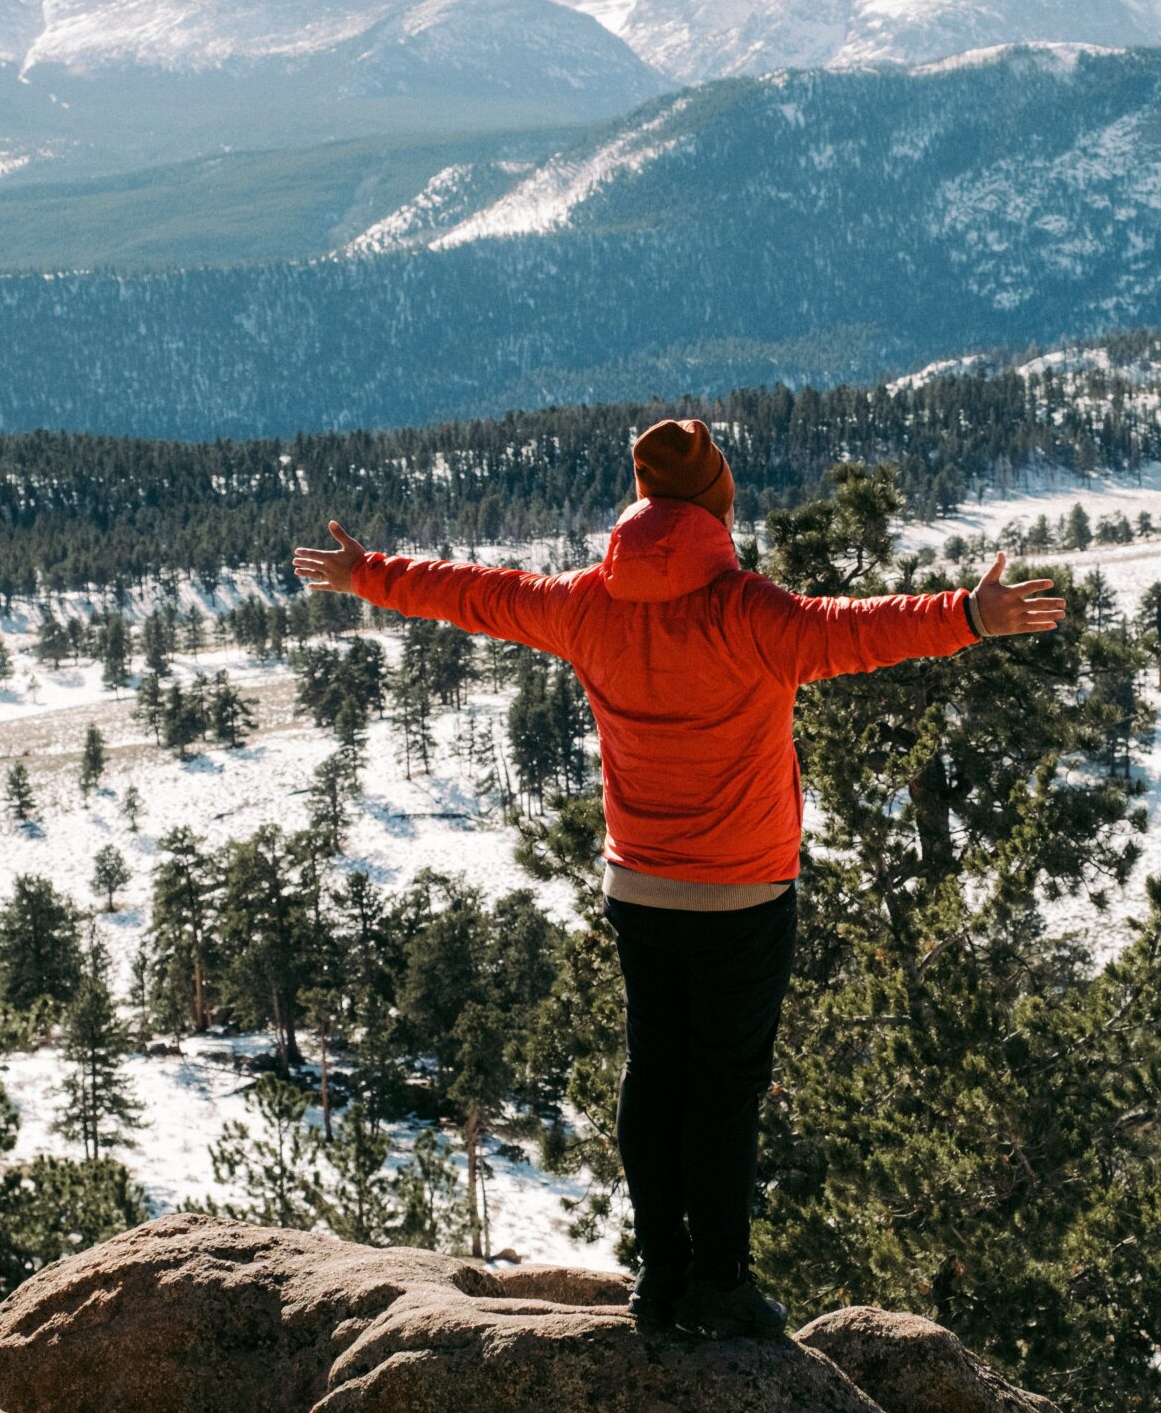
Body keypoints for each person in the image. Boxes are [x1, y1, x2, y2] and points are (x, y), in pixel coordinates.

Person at [294, 418, 1061, 1338]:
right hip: (744, 892)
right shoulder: (748, 611)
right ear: (717, 504)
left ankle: (660, 1278)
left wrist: (369, 573)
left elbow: (480, 596)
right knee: (724, 1090)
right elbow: (858, 631)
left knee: (655, 1076)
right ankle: (722, 1284)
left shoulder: (588, 604)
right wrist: (971, 616)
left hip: (639, 890)